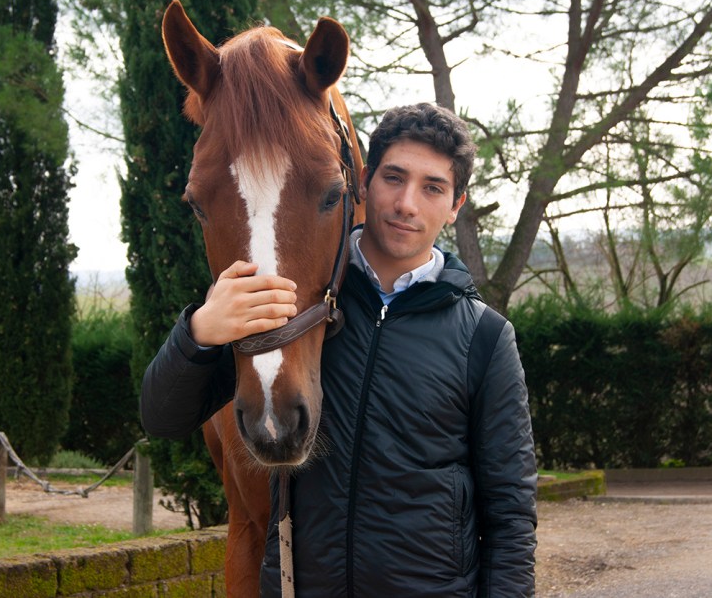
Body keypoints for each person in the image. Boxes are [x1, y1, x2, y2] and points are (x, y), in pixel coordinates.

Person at [141, 102, 537, 597]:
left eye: (432, 187)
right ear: (365, 181)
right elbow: (162, 417)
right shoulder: (298, 302)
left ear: (456, 205)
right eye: (394, 178)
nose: (407, 204)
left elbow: (511, 514)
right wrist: (199, 330)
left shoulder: (484, 337)